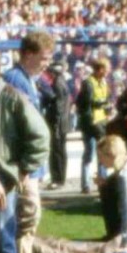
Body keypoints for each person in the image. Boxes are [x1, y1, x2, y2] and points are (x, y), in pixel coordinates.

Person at [0, 52, 50, 253]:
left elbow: (40, 134)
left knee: (11, 224)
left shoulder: (11, 92)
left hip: (5, 172)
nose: (47, 63)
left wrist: (25, 167)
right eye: (44, 57)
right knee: (1, 225)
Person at [3, 30, 55, 253]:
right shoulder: (15, 79)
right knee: (27, 211)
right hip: (22, 163)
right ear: (29, 54)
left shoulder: (30, 79)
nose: (47, 64)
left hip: (30, 163)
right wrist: (24, 165)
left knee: (27, 212)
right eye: (43, 58)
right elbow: (18, 126)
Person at [76, 58, 112, 194]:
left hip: (101, 121)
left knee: (102, 152)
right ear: (100, 69)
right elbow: (87, 102)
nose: (107, 72)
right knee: (89, 152)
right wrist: (101, 103)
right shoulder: (88, 83)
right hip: (90, 122)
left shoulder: (104, 82)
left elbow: (106, 98)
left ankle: (102, 183)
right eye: (106, 69)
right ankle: (85, 184)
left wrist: (107, 106)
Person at [39, 60, 72, 190]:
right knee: (60, 151)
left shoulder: (57, 83)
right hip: (62, 122)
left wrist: (44, 92)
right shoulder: (62, 82)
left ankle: (57, 179)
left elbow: (58, 104)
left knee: (57, 151)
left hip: (57, 122)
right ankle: (60, 178)